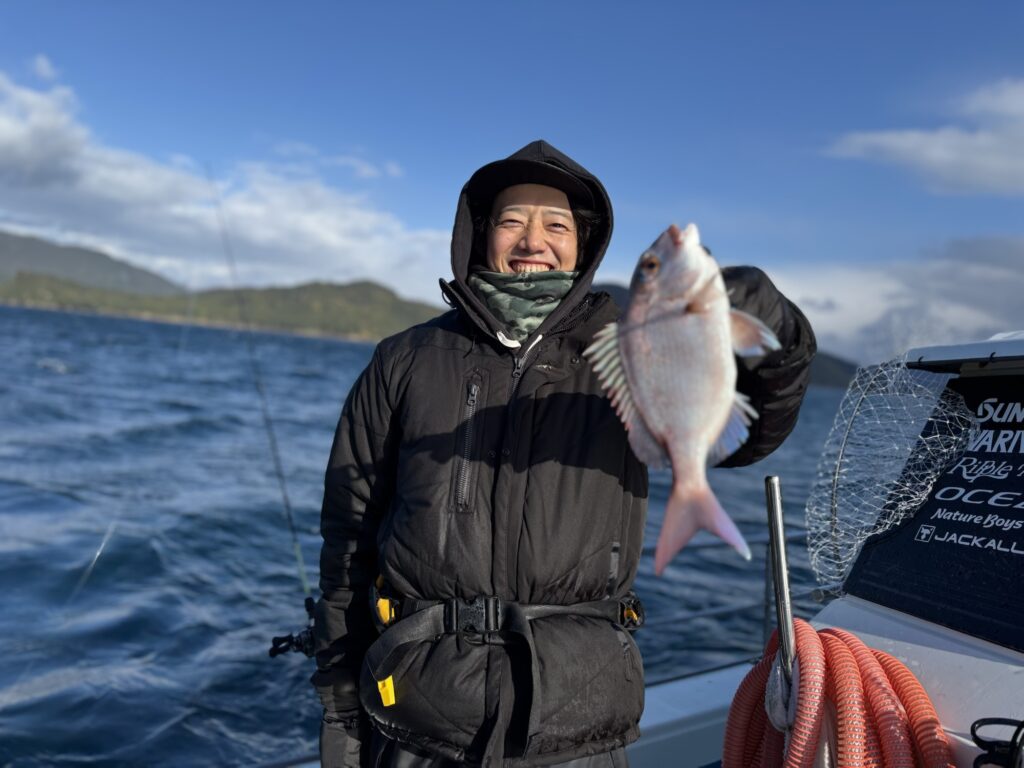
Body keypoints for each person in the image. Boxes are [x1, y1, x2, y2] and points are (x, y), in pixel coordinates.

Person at [312, 140, 816, 767]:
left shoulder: (630, 347)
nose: (533, 241)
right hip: (418, 716)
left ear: (585, 245)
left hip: (578, 720)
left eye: (556, 225)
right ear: (479, 234)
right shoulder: (404, 359)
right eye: (512, 221)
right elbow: (348, 540)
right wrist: (340, 714)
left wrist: (775, 324)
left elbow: (760, 427)